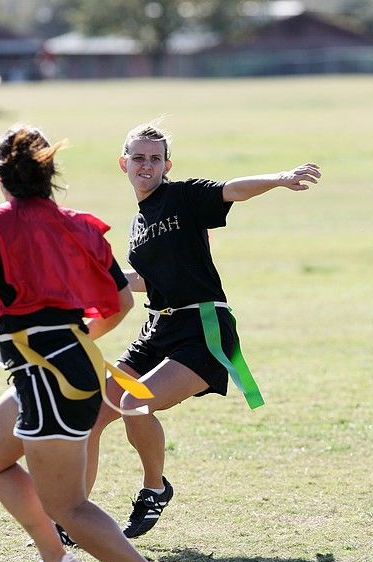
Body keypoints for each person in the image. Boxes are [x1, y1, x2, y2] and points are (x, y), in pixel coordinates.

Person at [0, 124, 178, 562]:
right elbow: (120, 303)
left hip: (49, 378)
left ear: (0, 175)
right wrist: (74, 343)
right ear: (49, 173)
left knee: (69, 506)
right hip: (62, 370)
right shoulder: (79, 225)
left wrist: (54, 350)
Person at [83, 120, 321, 539]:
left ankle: (154, 489)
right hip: (158, 328)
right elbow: (145, 281)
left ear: (166, 164)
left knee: (136, 403)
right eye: (138, 158)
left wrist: (280, 178)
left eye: (155, 159)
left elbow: (233, 189)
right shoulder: (138, 223)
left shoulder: (185, 196)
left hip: (202, 325)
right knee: (94, 414)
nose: (146, 165)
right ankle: (73, 516)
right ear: (123, 163)